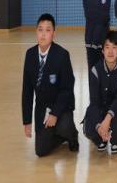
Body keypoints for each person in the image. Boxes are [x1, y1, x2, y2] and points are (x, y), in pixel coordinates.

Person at [22, 13, 79, 157]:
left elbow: (67, 89)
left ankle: (72, 135)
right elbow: (27, 91)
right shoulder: (30, 55)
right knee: (41, 151)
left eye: (47, 30)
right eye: (40, 29)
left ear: (53, 34)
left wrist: (54, 113)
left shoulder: (62, 55)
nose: (43, 34)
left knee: (64, 126)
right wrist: (27, 121)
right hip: (42, 107)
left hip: (61, 106)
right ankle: (60, 136)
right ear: (36, 32)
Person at [83, 31, 117, 154]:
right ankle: (101, 138)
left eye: (114, 47)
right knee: (89, 128)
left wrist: (108, 119)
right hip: (101, 108)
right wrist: (99, 127)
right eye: (107, 47)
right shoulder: (95, 70)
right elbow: (94, 102)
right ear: (102, 50)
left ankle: (115, 139)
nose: (110, 51)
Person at [82, 0, 112, 72]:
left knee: (104, 70)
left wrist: (96, 12)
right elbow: (88, 15)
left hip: (103, 37)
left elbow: (106, 16)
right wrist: (99, 12)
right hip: (90, 37)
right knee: (92, 70)